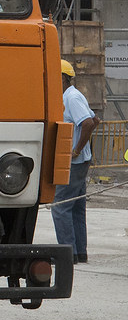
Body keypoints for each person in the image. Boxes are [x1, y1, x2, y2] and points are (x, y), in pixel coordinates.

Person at [51, 59, 99, 264]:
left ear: (62, 78)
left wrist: (77, 150)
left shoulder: (70, 98)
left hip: (75, 163)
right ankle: (79, 252)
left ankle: (67, 253)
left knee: (60, 206)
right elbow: (95, 120)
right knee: (76, 207)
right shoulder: (73, 96)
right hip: (80, 161)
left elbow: (88, 123)